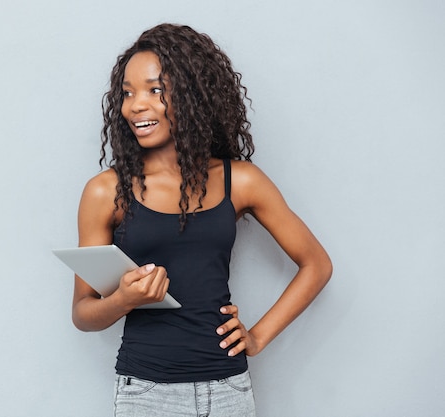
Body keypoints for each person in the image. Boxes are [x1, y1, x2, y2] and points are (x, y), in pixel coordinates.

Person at [71, 23, 332, 417]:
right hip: (145, 392)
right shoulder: (106, 191)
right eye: (127, 93)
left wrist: (257, 337)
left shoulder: (240, 181)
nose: (135, 105)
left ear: (192, 94)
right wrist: (124, 299)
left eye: (155, 90)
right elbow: (83, 313)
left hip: (228, 389)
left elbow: (317, 265)